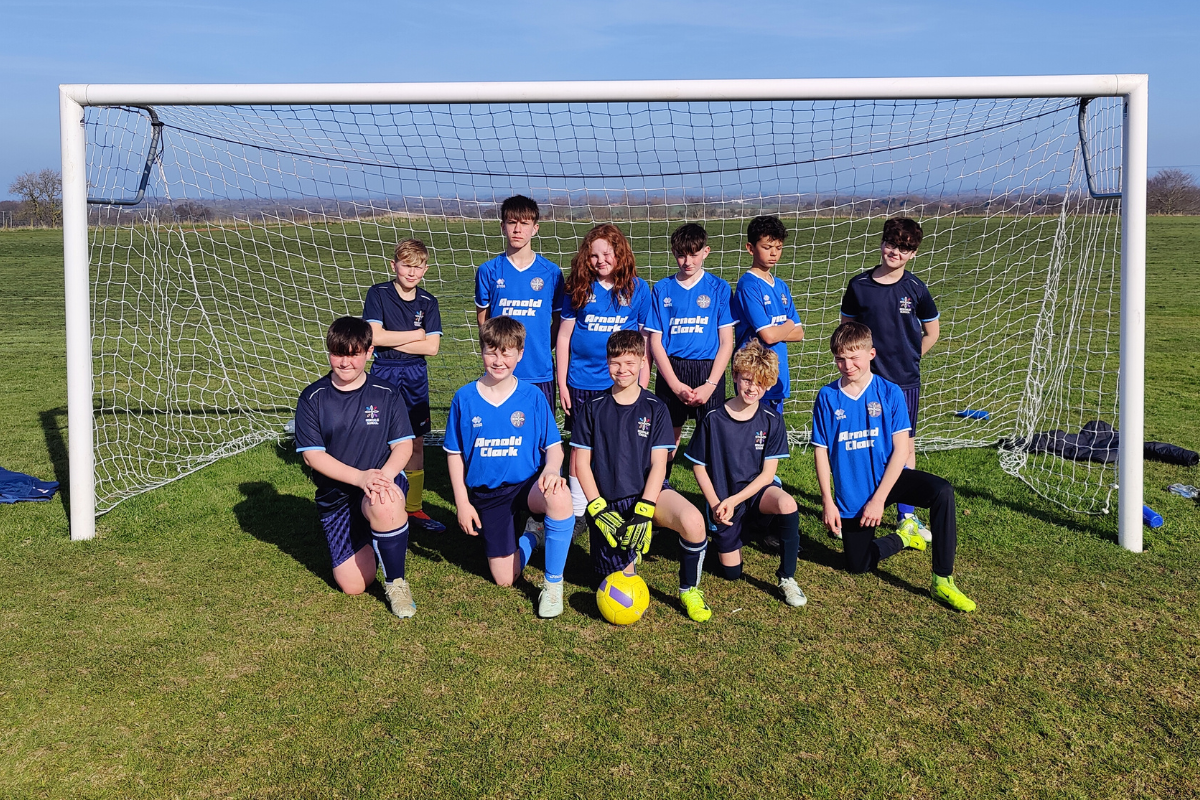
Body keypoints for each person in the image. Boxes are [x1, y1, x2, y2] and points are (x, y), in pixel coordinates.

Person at [812, 322, 976, 612]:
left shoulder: (890, 392)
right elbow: (821, 451)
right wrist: (828, 500)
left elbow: (902, 449)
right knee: (857, 564)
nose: (847, 365)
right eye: (840, 359)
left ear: (871, 354)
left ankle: (942, 579)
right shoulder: (827, 397)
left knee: (942, 492)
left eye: (854, 357)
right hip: (854, 489)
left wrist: (879, 500)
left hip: (891, 480)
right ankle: (904, 535)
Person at [571, 330, 714, 622]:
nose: (622, 369)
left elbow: (659, 465)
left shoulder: (655, 408)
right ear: (607, 362)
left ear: (642, 363)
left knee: (694, 521)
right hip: (609, 503)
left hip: (651, 493)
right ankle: (628, 557)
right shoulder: (592, 408)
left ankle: (689, 589)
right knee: (615, 587)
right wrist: (597, 508)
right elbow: (581, 464)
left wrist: (645, 508)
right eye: (615, 362)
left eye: (629, 362)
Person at [442, 316, 576, 618]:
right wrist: (462, 503)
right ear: (481, 351)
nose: (498, 360)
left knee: (559, 495)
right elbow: (454, 454)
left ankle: (553, 585)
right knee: (505, 578)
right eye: (491, 352)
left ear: (520, 354)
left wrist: (551, 470)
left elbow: (554, 447)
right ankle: (533, 534)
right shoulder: (464, 398)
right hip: (489, 494)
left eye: (506, 353)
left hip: (528, 485)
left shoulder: (533, 396)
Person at [294, 316, 417, 618]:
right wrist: (360, 478)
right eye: (338, 353)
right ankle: (379, 537)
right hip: (337, 497)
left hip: (379, 481)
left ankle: (397, 583)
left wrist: (383, 477)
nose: (345, 362)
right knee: (354, 585)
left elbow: (404, 446)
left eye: (354, 354)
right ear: (329, 352)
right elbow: (312, 456)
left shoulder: (386, 393)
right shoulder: (313, 398)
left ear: (369, 351)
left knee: (384, 502)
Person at [840, 217, 940, 541]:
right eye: (891, 244)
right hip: (865, 384)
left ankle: (906, 516)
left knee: (904, 446)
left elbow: (932, 332)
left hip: (905, 382)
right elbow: (846, 332)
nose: (895, 251)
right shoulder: (859, 286)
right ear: (882, 243)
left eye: (904, 248)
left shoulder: (916, 289)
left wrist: (910, 357)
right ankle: (853, 509)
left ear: (913, 253)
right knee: (861, 442)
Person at [686, 341, 806, 607]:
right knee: (731, 574)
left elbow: (767, 475)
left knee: (787, 503)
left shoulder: (772, 419)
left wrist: (735, 500)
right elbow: (698, 466)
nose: (752, 388)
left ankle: (787, 577)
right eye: (747, 380)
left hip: (756, 493)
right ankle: (733, 537)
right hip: (723, 499)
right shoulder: (713, 418)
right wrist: (716, 503)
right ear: (735, 376)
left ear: (769, 384)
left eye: (760, 383)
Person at [555, 223, 652, 530]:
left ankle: (620, 499)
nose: (600, 261)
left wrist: (643, 382)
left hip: (622, 383)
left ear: (619, 253)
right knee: (580, 446)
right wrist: (562, 385)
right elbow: (563, 337)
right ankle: (577, 511)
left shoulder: (637, 288)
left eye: (607, 254)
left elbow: (644, 340)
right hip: (582, 382)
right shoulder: (578, 287)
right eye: (594, 255)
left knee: (619, 444)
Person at [362, 238, 445, 533]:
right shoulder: (378, 294)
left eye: (418, 266)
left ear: (425, 269)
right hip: (383, 372)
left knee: (415, 441)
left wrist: (392, 337)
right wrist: (415, 334)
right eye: (406, 265)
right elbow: (374, 337)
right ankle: (378, 500)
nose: (412, 272)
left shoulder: (428, 302)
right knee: (380, 437)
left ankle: (414, 508)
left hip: (414, 375)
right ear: (393, 265)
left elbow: (432, 348)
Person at [646, 222, 735, 458]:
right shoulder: (662, 289)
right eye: (681, 255)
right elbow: (655, 342)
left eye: (694, 255)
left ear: (706, 252)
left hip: (708, 370)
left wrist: (710, 385)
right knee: (667, 437)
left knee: (712, 437)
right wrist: (675, 385)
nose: (688, 262)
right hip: (672, 369)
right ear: (673, 252)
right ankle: (661, 479)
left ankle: (712, 481)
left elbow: (727, 342)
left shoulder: (719, 288)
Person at [475, 195, 565, 412]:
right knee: (502, 428)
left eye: (524, 223)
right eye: (512, 222)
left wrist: (542, 346)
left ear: (535, 229)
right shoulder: (488, 271)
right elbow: (483, 319)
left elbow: (559, 320)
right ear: (502, 227)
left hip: (539, 370)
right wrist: (497, 350)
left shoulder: (551, 272)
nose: (517, 229)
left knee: (540, 430)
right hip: (502, 369)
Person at [730, 215, 804, 414]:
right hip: (753, 375)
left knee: (774, 426)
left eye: (778, 248)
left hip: (777, 373)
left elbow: (800, 334)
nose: (773, 253)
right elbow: (769, 336)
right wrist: (789, 324)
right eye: (767, 247)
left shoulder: (780, 286)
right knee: (752, 427)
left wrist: (780, 330)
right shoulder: (749, 286)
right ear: (750, 248)